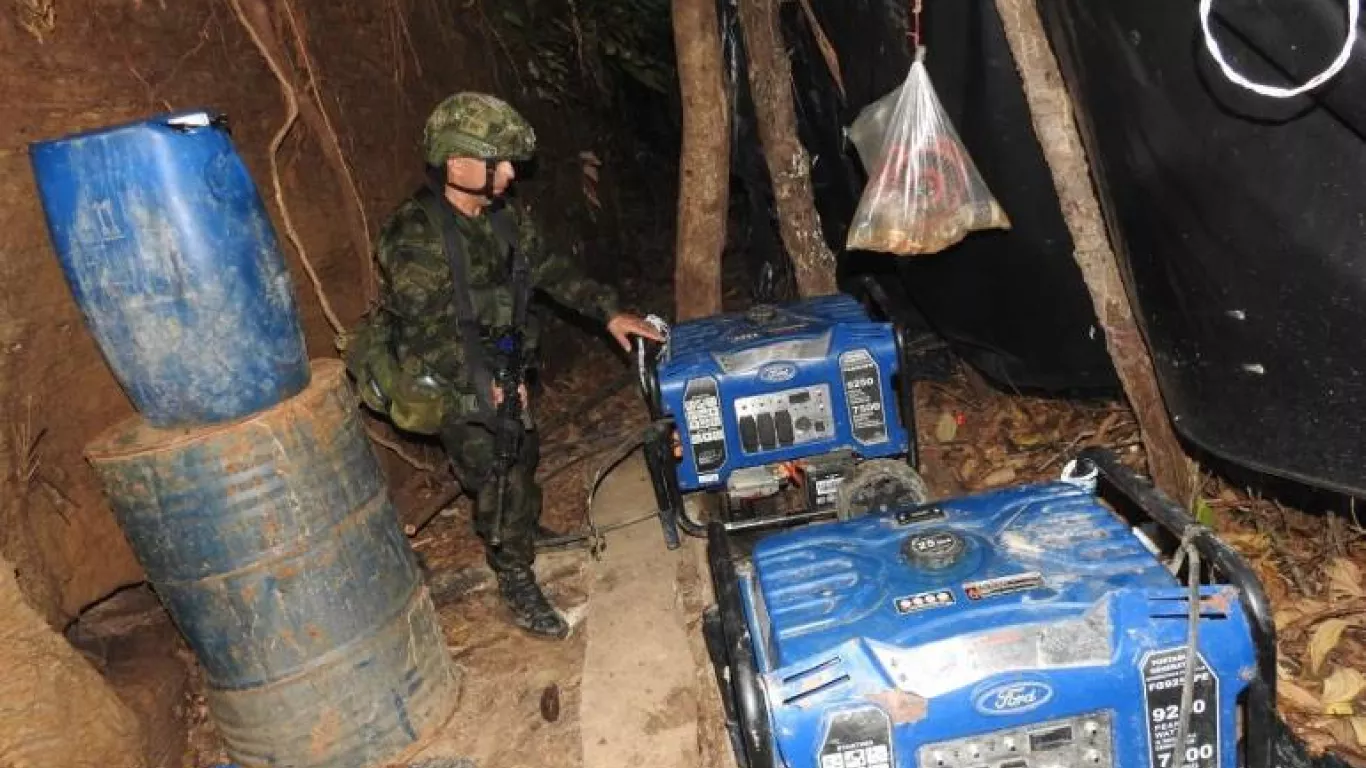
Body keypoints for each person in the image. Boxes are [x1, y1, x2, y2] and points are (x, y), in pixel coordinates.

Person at [351, 92, 663, 639]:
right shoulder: (417, 236)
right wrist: (485, 386)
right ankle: (514, 576)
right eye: (501, 161)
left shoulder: (505, 220)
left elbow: (551, 270)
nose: (513, 173)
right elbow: (426, 334)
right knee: (496, 472)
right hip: (450, 379)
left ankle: (528, 528)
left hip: (505, 364)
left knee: (522, 453)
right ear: (458, 163)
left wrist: (610, 311)